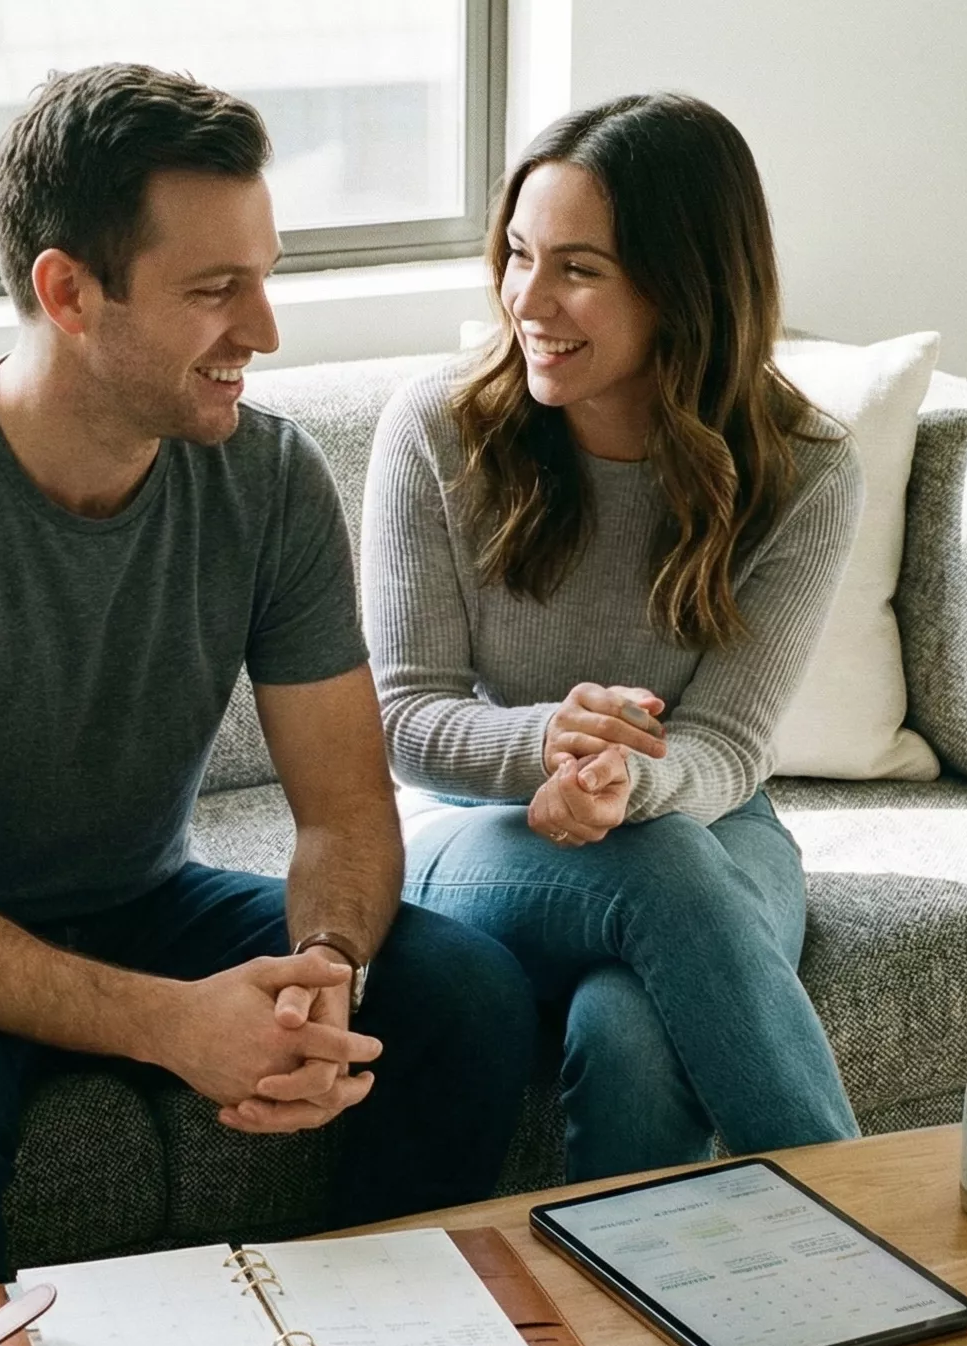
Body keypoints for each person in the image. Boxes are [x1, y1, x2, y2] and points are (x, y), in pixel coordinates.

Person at [0, 63, 534, 1322]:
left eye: (265, 277)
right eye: (214, 291)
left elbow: (340, 810)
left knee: (468, 998)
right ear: (67, 291)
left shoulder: (267, 479)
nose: (264, 332)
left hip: (132, 899)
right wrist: (170, 1024)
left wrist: (326, 967)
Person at [361, 93, 864, 1182]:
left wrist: (618, 789)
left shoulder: (804, 467)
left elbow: (728, 743)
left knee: (632, 1038)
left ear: (683, 284)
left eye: (576, 269)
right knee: (667, 873)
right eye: (515, 255)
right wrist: (547, 743)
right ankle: (865, 1227)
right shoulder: (437, 431)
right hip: (468, 825)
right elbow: (402, 719)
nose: (526, 301)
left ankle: (643, 1342)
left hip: (710, 815)